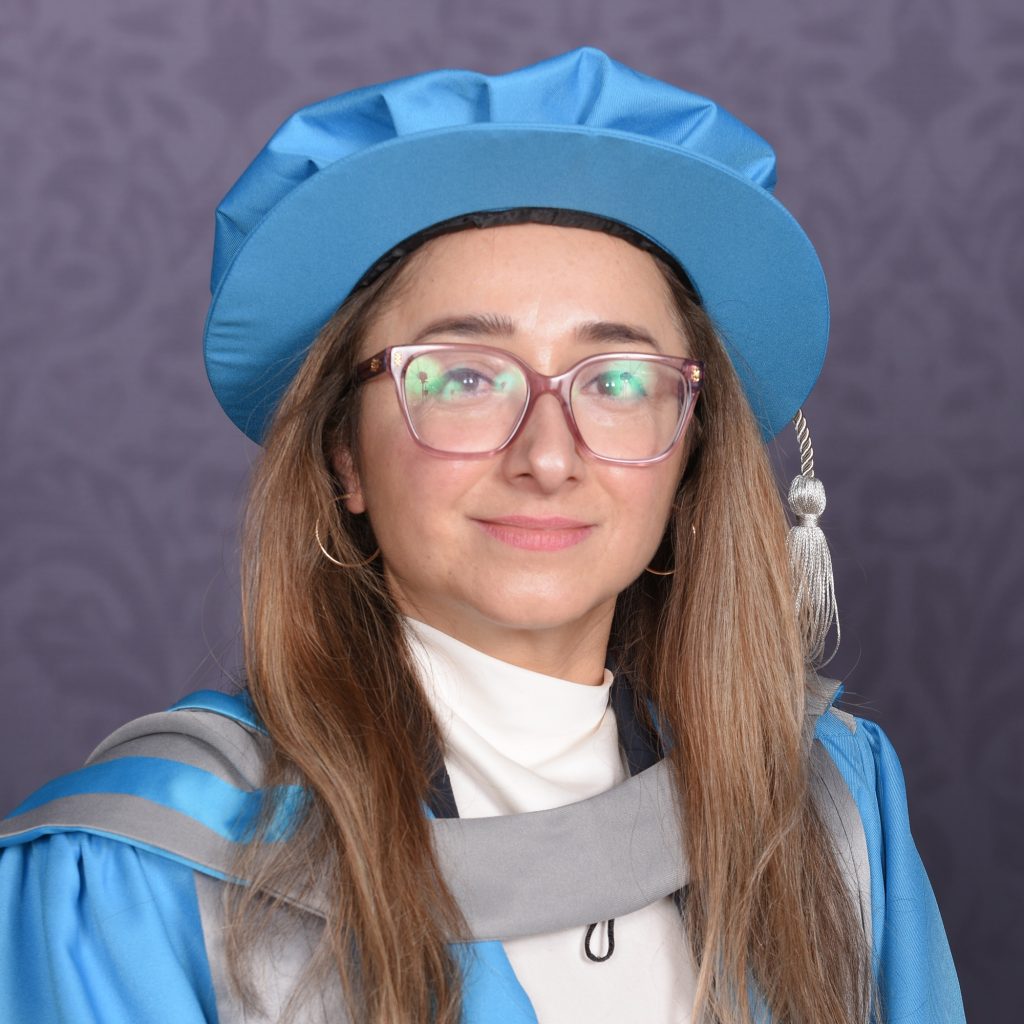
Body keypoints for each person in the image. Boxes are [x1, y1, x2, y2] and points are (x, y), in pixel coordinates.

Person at [0, 47, 964, 1024]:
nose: (548, 456)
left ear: (689, 457)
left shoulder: (827, 807)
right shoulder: (135, 874)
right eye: (463, 375)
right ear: (344, 455)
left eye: (620, 380)